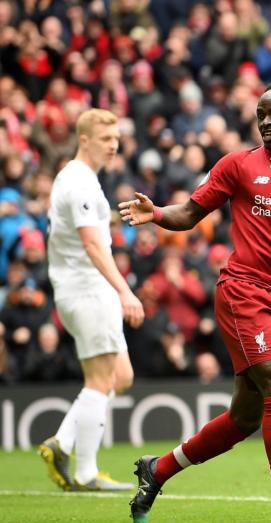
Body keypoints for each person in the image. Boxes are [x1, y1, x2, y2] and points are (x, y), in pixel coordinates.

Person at [120, 81, 271, 523]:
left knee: (245, 415)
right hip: (243, 290)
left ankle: (160, 468)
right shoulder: (239, 165)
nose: (266, 122)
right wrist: (155, 214)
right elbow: (190, 213)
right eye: (261, 114)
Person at [38, 108, 144, 492]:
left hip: (82, 289)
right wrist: (124, 290)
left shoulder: (80, 178)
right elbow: (91, 244)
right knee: (100, 380)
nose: (113, 145)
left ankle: (62, 443)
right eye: (105, 138)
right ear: (84, 140)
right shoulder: (79, 182)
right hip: (87, 289)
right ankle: (84, 470)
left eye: (116, 138)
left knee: (122, 376)